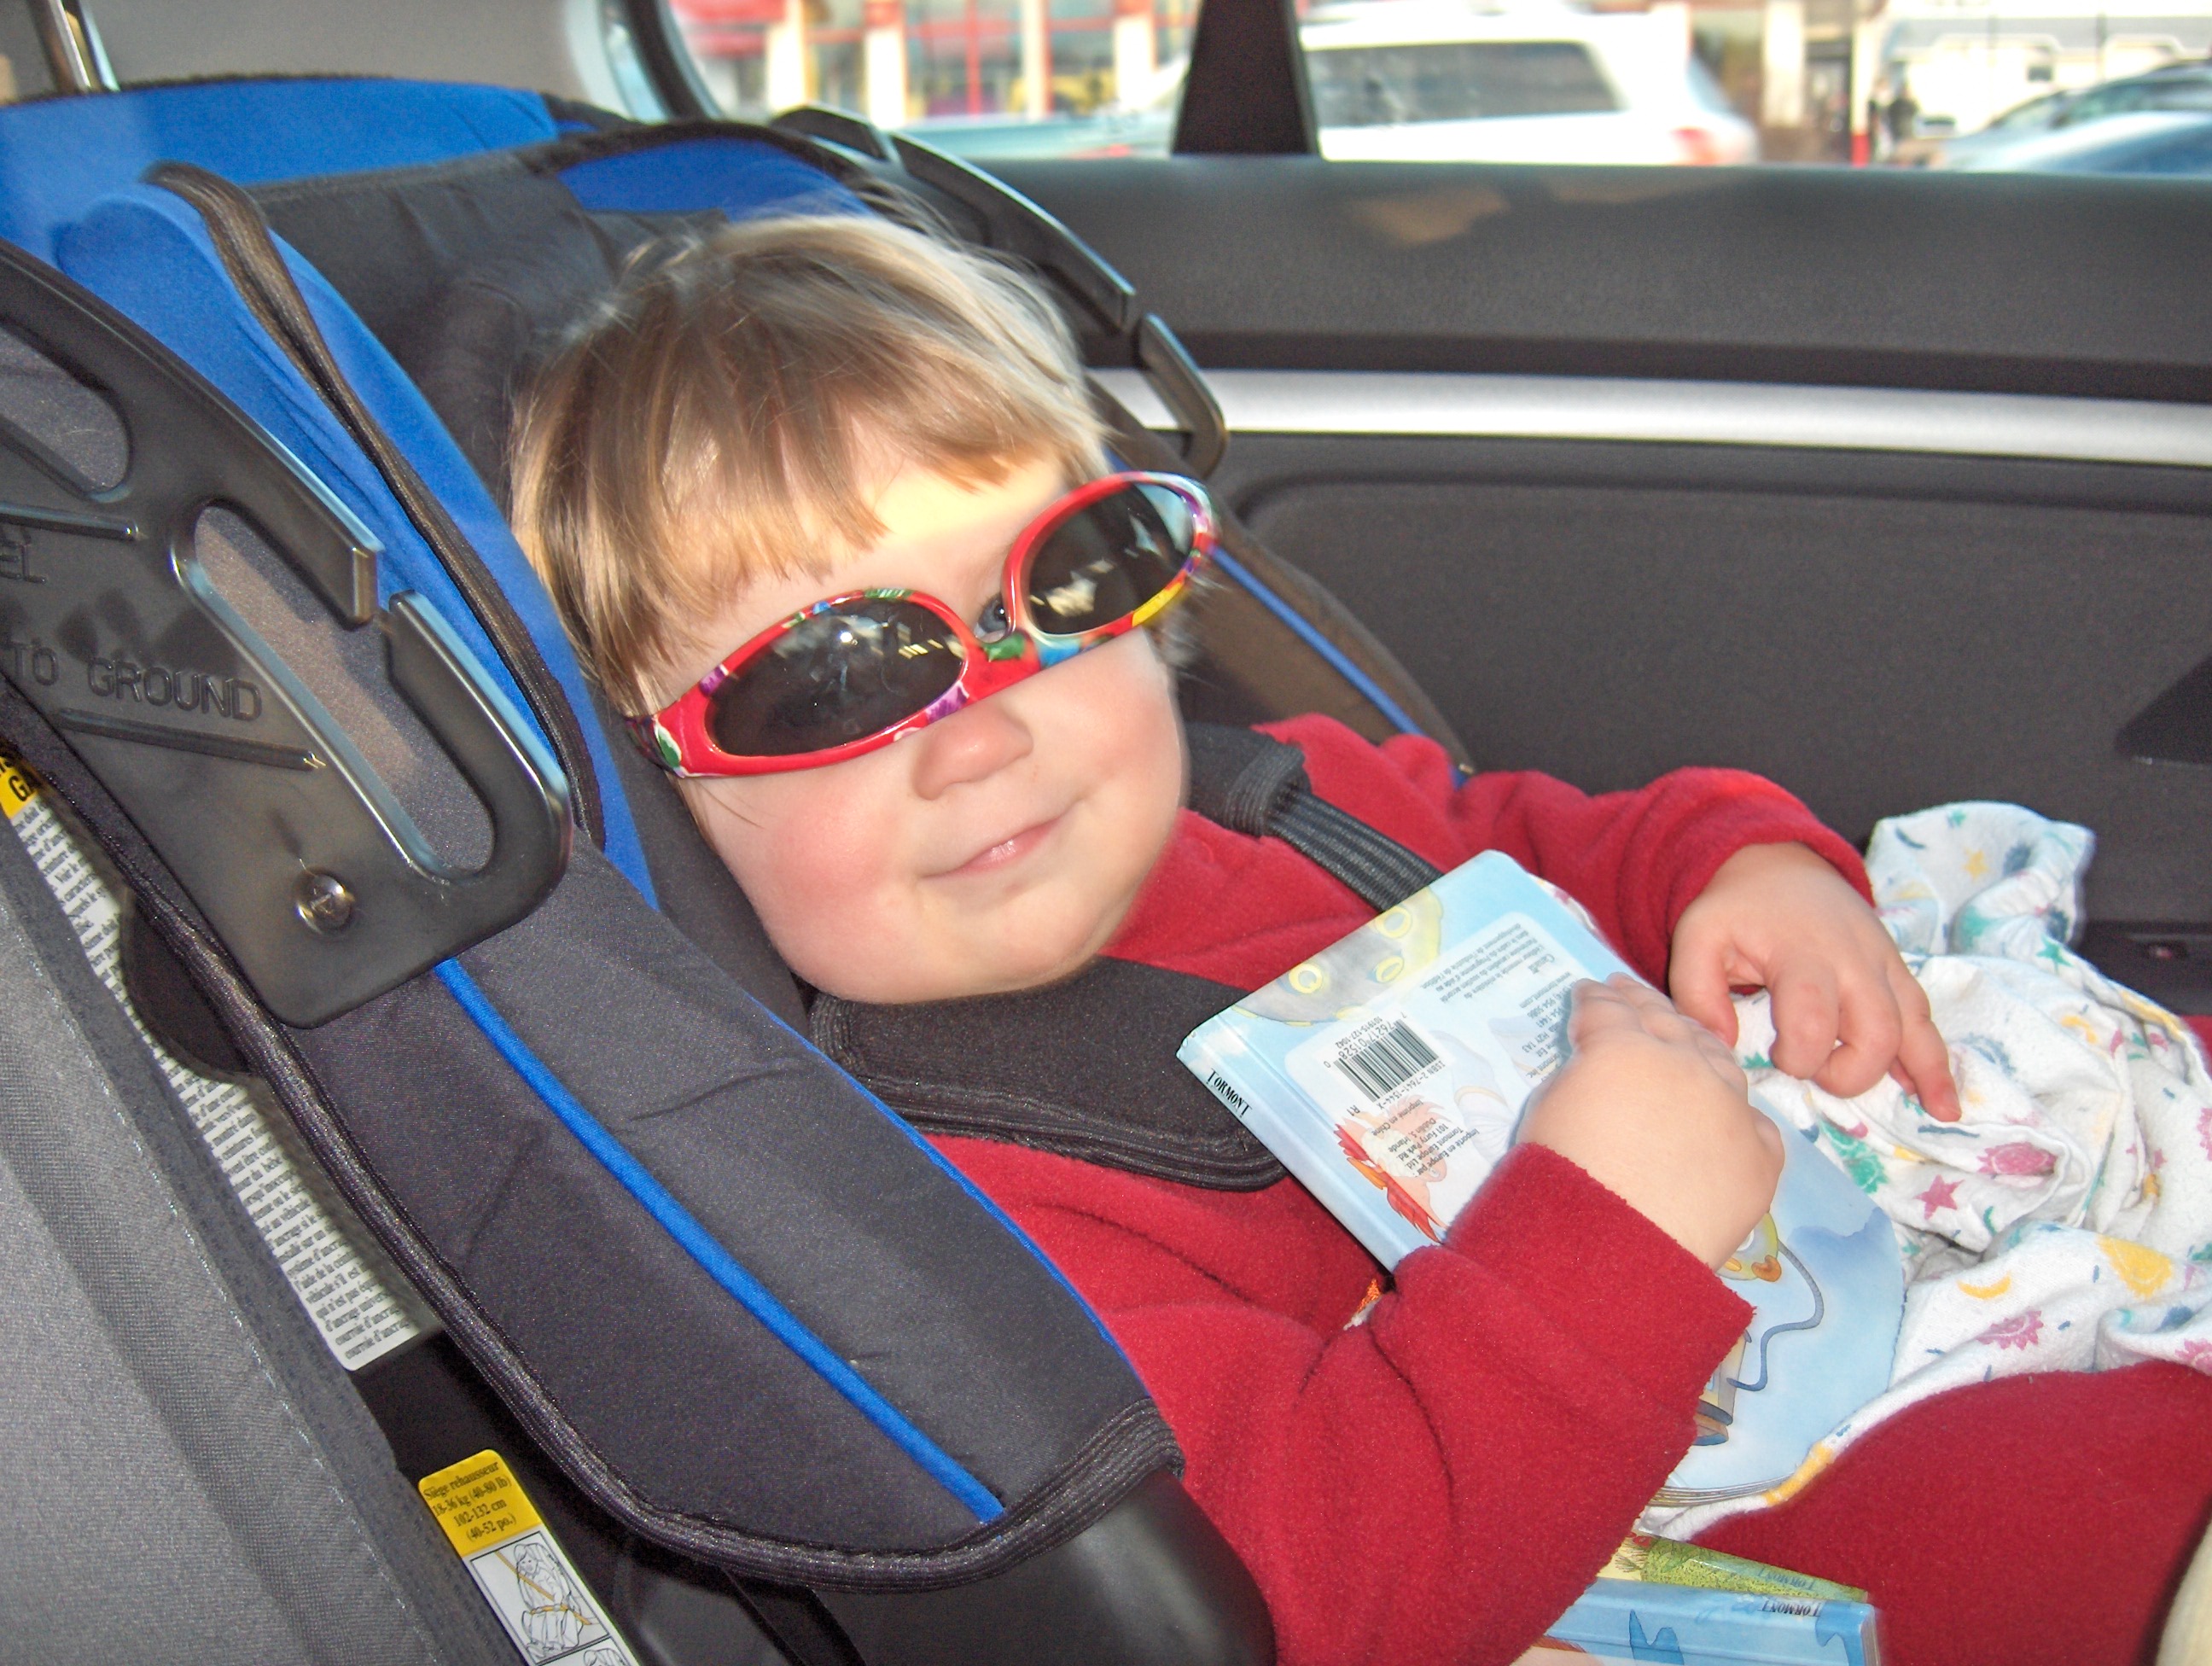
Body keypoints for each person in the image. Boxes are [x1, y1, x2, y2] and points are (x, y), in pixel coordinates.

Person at [509, 213, 2212, 1666]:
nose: (985, 733)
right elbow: (1331, 1579)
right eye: (829, 684)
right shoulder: (974, 1219)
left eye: (1062, 580)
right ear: (658, 789)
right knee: (2093, 1517)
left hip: (1858, 1229)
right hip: (1644, 1501)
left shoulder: (1290, 799)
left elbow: (1553, 835)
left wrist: (1745, 866)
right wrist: (1611, 1228)